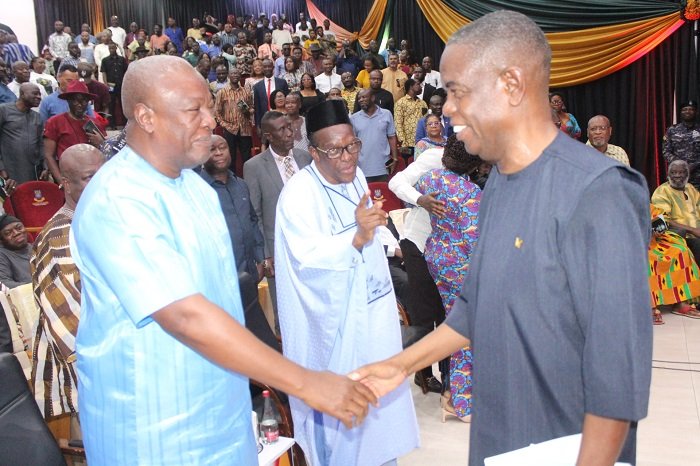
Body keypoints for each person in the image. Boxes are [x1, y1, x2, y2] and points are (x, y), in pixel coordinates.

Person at [351, 11, 652, 466]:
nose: (446, 109)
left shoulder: (599, 191)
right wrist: (399, 366)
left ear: (511, 85)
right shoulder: (498, 187)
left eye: (457, 92)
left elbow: (617, 377)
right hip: (500, 440)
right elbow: (472, 309)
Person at [70, 56, 376, 465]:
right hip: (153, 426)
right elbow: (185, 316)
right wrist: (305, 382)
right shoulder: (119, 198)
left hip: (222, 411)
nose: (210, 121)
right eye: (194, 109)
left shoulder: (195, 188)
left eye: (209, 106)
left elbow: (228, 301)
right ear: (145, 116)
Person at [275, 100, 419, 465]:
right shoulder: (298, 195)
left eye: (352, 145)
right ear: (314, 152)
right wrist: (355, 238)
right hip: (335, 331)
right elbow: (307, 263)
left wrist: (383, 238)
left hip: (372, 315)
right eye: (335, 150)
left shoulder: (355, 176)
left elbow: (370, 224)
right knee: (346, 428)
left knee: (381, 416)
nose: (347, 158)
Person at [30, 144, 104, 428]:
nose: (98, 183)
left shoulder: (94, 222)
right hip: (83, 387)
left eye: (103, 174)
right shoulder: (60, 237)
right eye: (88, 177)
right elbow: (72, 330)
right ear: (65, 182)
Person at [416, 134, 481, 422]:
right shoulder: (471, 194)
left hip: (437, 260)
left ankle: (455, 396)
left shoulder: (430, 180)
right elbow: (474, 241)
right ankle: (460, 403)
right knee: (466, 331)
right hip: (461, 267)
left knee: (456, 325)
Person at [243, 111, 311, 329]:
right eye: (282, 129)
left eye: (289, 127)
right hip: (279, 251)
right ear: (268, 136)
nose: (290, 133)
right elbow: (255, 214)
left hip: (312, 245)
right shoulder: (254, 166)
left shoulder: (304, 158)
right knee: (287, 316)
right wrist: (265, 255)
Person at [388, 144, 447, 394]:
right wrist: (419, 199)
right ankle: (422, 374)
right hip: (418, 245)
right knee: (425, 316)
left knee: (446, 316)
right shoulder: (435, 157)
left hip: (447, 250)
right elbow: (396, 182)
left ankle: (447, 376)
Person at [201, 135, 264, 280]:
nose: (219, 153)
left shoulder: (241, 185)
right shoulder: (198, 190)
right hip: (218, 279)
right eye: (212, 149)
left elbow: (253, 221)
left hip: (249, 274)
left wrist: (260, 258)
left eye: (222, 147)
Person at [43, 81, 106, 182]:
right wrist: (61, 181)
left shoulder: (94, 122)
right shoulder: (54, 122)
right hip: (68, 175)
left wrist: (101, 142)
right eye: (75, 100)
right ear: (68, 101)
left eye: (84, 101)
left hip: (91, 175)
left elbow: (105, 151)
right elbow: (49, 155)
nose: (80, 104)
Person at [648, 203, 700, 323]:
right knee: (646, 258)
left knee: (680, 250)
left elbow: (660, 216)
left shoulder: (641, 199)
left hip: (654, 241)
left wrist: (658, 227)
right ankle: (648, 306)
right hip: (633, 243)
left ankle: (680, 302)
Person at [651, 159, 700, 274]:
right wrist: (693, 230)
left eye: (681, 172)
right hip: (679, 237)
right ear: (668, 175)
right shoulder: (662, 192)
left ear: (687, 174)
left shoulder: (691, 189)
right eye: (673, 173)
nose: (677, 176)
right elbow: (663, 220)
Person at [351, 88, 398, 182]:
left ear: (372, 98)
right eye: (359, 98)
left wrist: (395, 158)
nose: (360, 100)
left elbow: (392, 137)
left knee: (382, 195)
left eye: (364, 97)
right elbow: (352, 143)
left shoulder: (386, 114)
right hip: (362, 167)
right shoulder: (354, 118)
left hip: (383, 165)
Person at [0, 83, 44, 183]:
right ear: (22, 94)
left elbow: (41, 143)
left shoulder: (37, 116)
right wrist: (1, 168)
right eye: (35, 93)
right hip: (9, 171)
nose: (39, 97)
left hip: (33, 171)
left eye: (40, 94)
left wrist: (45, 167)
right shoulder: (4, 110)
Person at [215, 68, 254, 170]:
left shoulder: (246, 91)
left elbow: (251, 106)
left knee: (247, 159)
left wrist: (249, 111)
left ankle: (247, 180)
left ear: (240, 75)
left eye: (237, 73)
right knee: (231, 158)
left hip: (244, 129)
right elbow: (217, 113)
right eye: (232, 73)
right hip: (230, 129)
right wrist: (225, 125)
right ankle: (232, 181)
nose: (235, 75)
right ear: (229, 76)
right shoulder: (222, 92)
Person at [662, 101, 700, 189]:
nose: (688, 112)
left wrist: (694, 165)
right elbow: (666, 151)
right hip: (678, 175)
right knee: (678, 200)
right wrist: (680, 165)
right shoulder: (672, 130)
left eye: (691, 109)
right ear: (680, 112)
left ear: (696, 112)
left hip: (697, 175)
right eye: (685, 109)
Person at [252, 58, 289, 129]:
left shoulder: (282, 82)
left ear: (273, 67)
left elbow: (287, 101)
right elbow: (257, 107)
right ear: (262, 68)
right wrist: (258, 126)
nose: (267, 68)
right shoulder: (257, 86)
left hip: (282, 119)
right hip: (265, 121)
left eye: (269, 66)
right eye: (265, 67)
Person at [99, 43, 128, 128]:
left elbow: (125, 71)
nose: (112, 49)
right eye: (110, 48)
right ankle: (112, 124)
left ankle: (125, 123)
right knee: (111, 105)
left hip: (120, 84)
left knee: (122, 104)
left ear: (116, 48)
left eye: (113, 48)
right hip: (110, 85)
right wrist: (105, 84)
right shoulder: (105, 60)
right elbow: (104, 73)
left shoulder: (122, 59)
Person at [394, 78, 427, 149]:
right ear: (411, 86)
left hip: (423, 142)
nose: (421, 87)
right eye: (418, 84)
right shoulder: (400, 103)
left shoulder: (423, 103)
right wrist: (403, 143)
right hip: (408, 143)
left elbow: (427, 121)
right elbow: (398, 123)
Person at [0, 214, 30, 288]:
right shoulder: (2, 255)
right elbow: (4, 283)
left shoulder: (37, 246)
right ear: (1, 240)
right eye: (8, 233)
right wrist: (37, 287)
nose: (16, 233)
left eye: (19, 228)